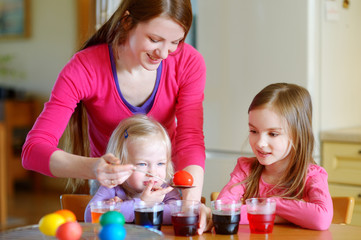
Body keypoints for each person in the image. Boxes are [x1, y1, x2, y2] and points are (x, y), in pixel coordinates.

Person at [22, 0, 205, 205]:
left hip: (163, 186)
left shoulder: (188, 62)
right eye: (154, 39)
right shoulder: (84, 68)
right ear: (127, 21)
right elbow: (33, 151)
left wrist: (191, 205)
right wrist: (94, 168)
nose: (164, 54)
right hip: (110, 193)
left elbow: (191, 140)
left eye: (175, 42)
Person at [216, 83, 333, 230]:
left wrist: (273, 204)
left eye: (273, 134)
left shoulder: (312, 175)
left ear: (298, 135)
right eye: (253, 131)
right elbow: (223, 211)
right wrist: (283, 216)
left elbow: (321, 219)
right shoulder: (246, 168)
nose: (260, 143)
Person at [84, 114, 180, 223]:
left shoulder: (165, 189)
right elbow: (90, 216)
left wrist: (125, 208)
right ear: (120, 165)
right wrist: (142, 203)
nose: (153, 172)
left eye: (160, 163)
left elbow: (175, 214)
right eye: (142, 164)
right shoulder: (112, 187)